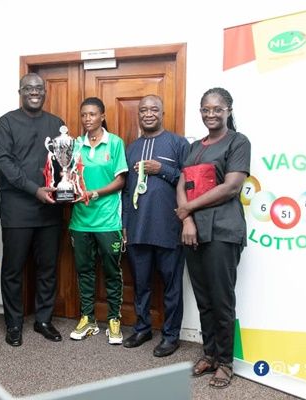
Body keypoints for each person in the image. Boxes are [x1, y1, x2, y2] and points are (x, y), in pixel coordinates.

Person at [175, 87, 251, 389]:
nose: (211, 114)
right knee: (204, 298)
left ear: (228, 110)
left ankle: (225, 362)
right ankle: (209, 354)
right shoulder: (196, 146)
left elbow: (231, 187)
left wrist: (188, 208)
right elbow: (183, 182)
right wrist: (187, 219)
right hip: (194, 230)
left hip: (222, 230)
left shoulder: (238, 142)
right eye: (206, 109)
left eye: (217, 109)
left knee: (221, 299)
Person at [0, 73, 65, 346]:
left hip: (50, 209)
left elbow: (64, 163)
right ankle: (13, 323)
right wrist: (35, 189)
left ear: (45, 92)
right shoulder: (6, 123)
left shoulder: (57, 123)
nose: (34, 92)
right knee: (13, 270)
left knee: (48, 268)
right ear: (20, 92)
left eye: (39, 88)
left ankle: (43, 320)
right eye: (29, 88)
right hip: (18, 209)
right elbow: (4, 163)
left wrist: (67, 184)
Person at [122, 94, 189, 357]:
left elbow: (188, 181)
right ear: (138, 114)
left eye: (153, 109)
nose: (148, 114)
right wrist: (125, 224)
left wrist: (161, 169)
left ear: (162, 113)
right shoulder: (131, 148)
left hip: (168, 228)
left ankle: (171, 336)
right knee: (141, 284)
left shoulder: (178, 143)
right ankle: (142, 328)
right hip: (137, 229)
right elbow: (126, 190)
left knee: (172, 286)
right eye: (143, 110)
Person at [68, 97, 128, 344]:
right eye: (84, 114)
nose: (87, 119)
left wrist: (96, 193)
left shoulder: (114, 143)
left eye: (92, 114)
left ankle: (114, 319)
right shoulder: (74, 145)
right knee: (84, 272)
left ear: (102, 116)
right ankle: (88, 319)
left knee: (112, 272)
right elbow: (67, 175)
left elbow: (121, 180)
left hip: (108, 221)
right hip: (80, 221)